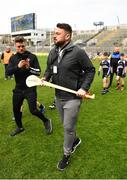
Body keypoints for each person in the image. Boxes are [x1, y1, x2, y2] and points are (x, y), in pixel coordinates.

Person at [43, 23, 95, 170]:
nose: (54, 35)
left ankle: (66, 154)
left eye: (58, 33)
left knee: (67, 127)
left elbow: (90, 70)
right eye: (54, 32)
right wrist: (45, 78)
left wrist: (84, 88)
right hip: (58, 97)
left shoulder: (77, 52)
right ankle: (75, 140)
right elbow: (49, 69)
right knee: (67, 126)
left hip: (73, 98)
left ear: (67, 36)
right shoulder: (53, 51)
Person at [7, 36, 52, 136]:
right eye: (18, 46)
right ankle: (20, 127)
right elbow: (8, 72)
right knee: (16, 109)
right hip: (18, 89)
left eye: (22, 46)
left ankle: (46, 121)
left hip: (30, 88)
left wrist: (29, 67)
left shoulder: (32, 57)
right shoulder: (13, 58)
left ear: (26, 44)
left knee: (33, 110)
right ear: (15, 45)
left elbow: (38, 72)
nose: (21, 48)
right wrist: (17, 67)